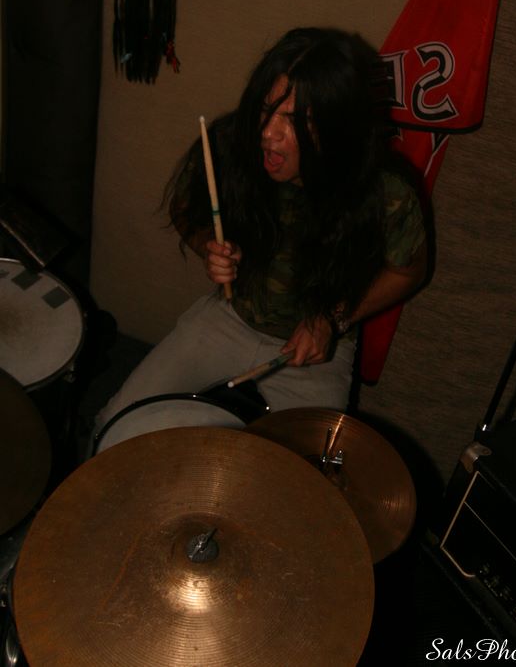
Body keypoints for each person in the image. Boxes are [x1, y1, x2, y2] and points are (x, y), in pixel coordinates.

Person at [95, 27, 428, 435]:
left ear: (336, 128)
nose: (267, 132)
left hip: (316, 350)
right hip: (230, 317)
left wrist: (334, 318)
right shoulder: (231, 144)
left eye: (295, 120)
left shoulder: (386, 192)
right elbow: (183, 208)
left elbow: (409, 271)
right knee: (115, 426)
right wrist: (208, 246)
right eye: (266, 110)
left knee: (305, 469)